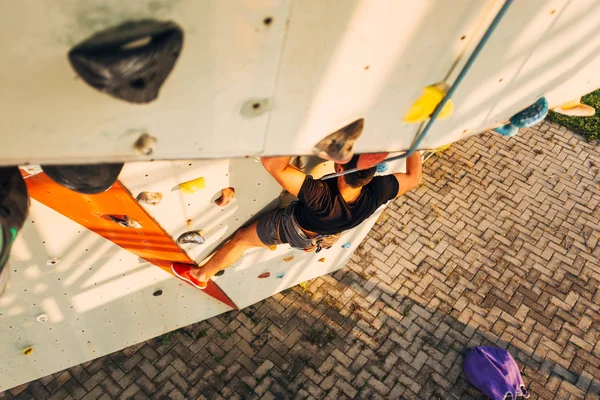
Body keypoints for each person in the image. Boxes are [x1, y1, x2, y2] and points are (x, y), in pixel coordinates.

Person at [171, 153, 422, 289]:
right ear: (372, 174)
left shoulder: (321, 197)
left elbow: (273, 164)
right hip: (327, 234)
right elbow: (414, 177)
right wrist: (417, 146)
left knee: (241, 241)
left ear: (339, 170)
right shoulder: (379, 189)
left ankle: (200, 275)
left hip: (294, 229)